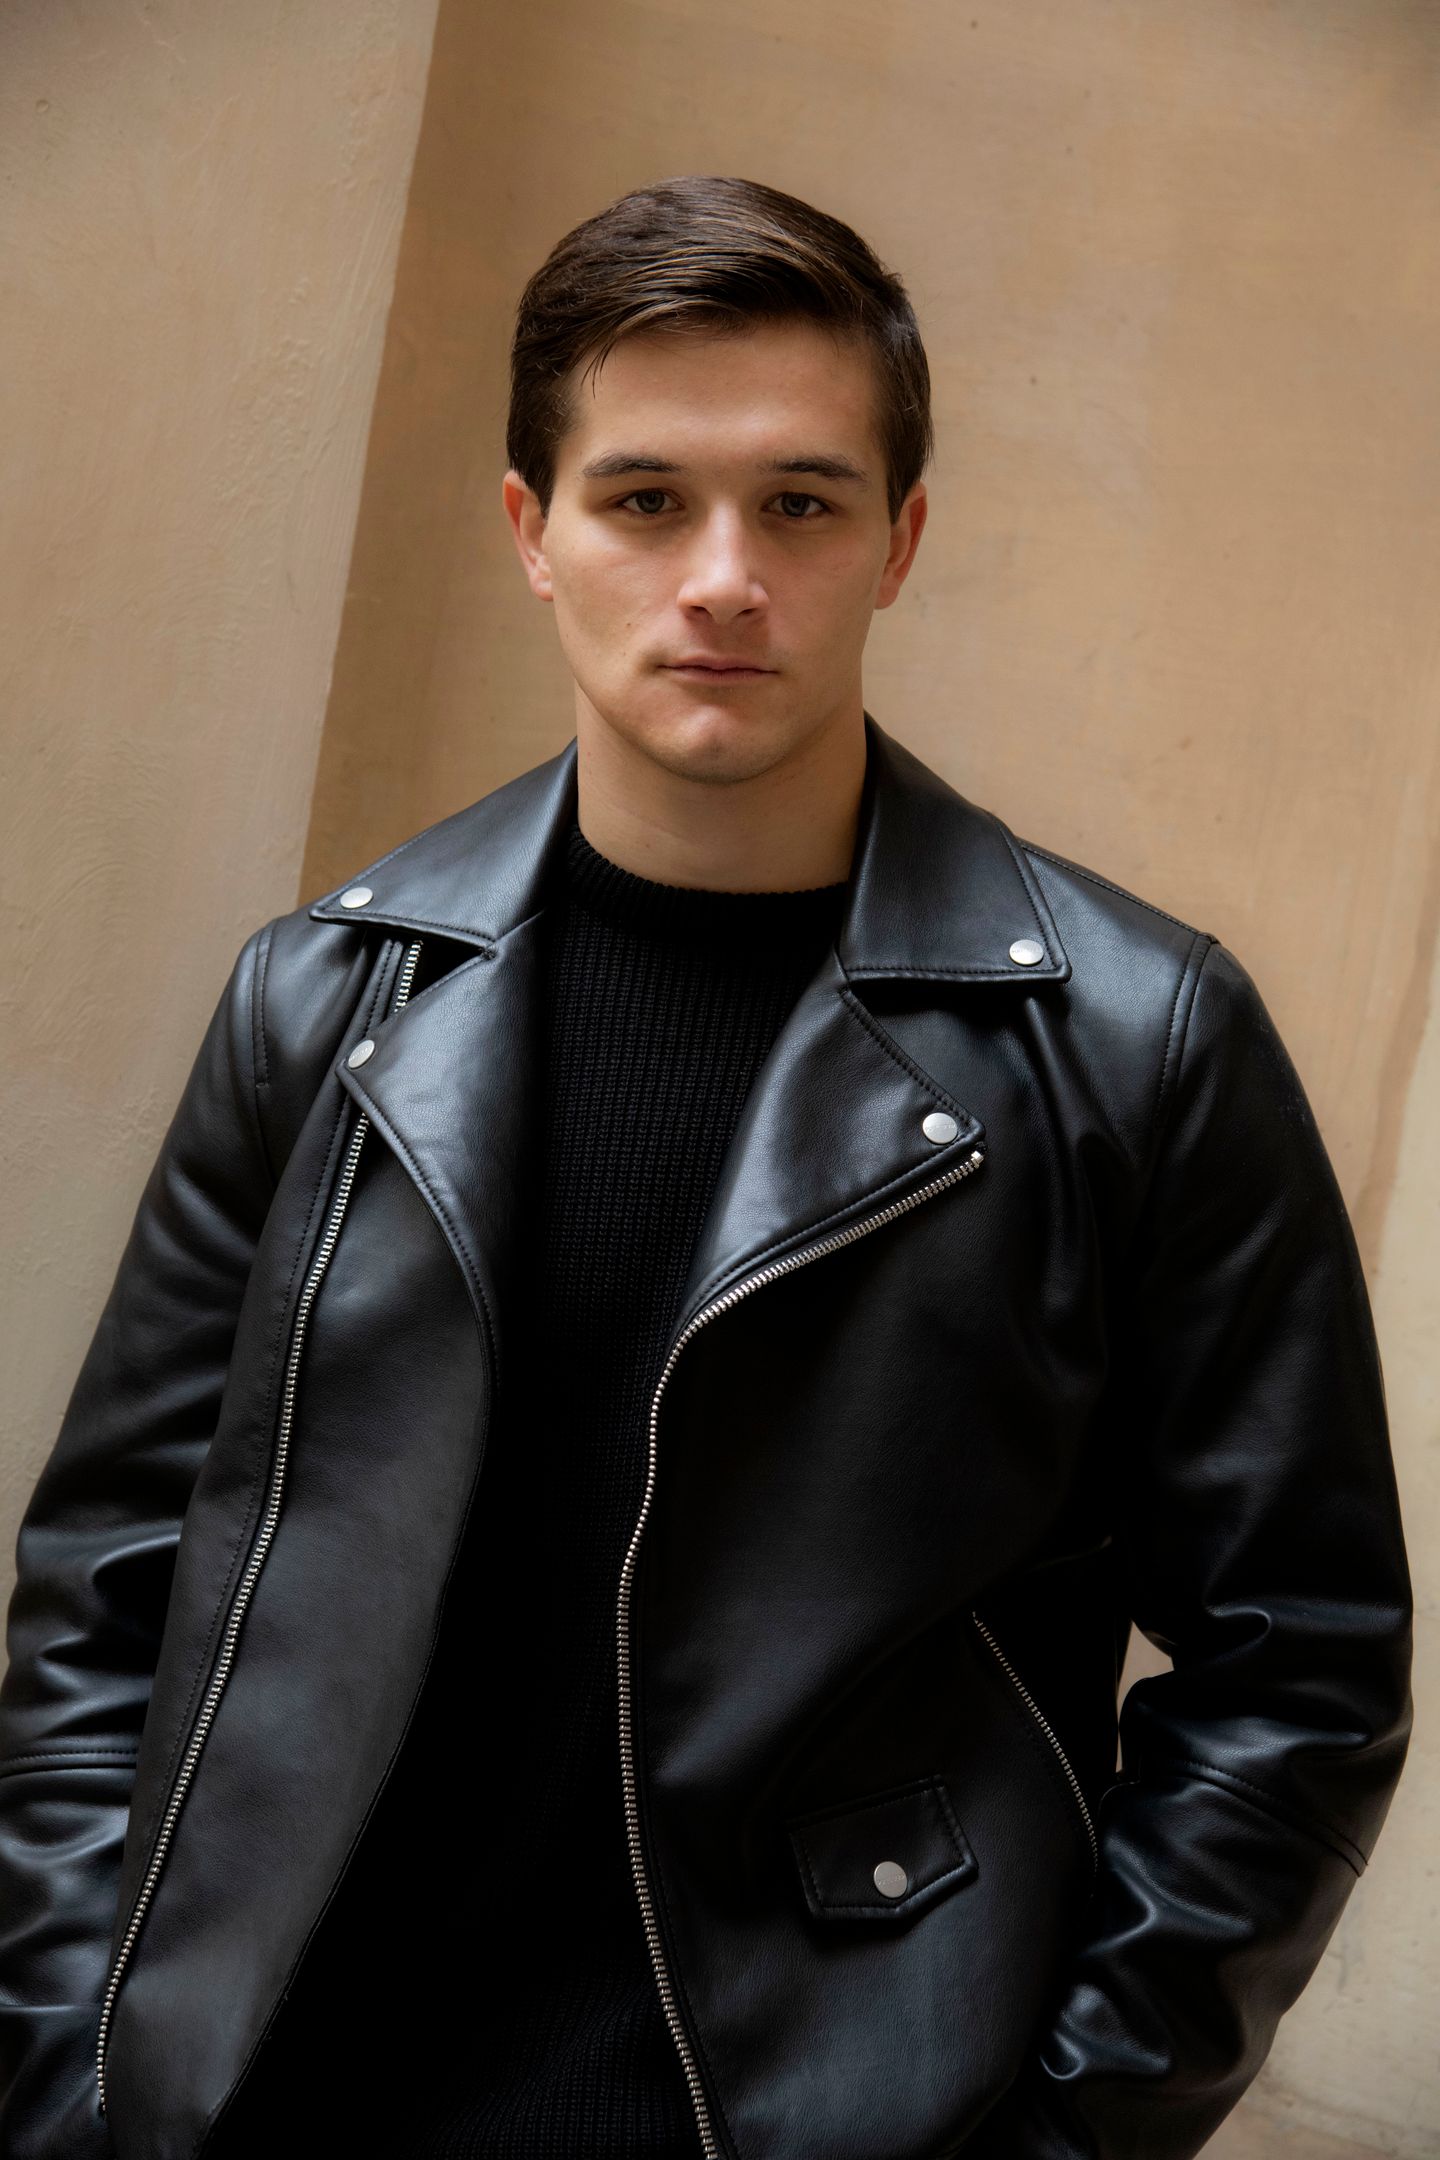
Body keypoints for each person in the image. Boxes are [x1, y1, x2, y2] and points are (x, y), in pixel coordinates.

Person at [0, 174, 1413, 2160]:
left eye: (802, 505)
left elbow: (1303, 1670)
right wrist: (77, 2080)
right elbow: (109, 1596)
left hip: (815, 2112)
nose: (725, 578)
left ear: (899, 542)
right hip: (290, 2094)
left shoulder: (1134, 1042)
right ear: (534, 533)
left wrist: (1070, 2137)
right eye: (647, 500)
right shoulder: (323, 1004)